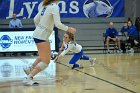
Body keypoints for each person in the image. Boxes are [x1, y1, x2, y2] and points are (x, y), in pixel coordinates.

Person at [23, 0, 76, 86]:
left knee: (44, 55)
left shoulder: (46, 6)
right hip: (41, 36)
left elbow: (35, 19)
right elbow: (58, 24)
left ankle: (29, 68)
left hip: (39, 35)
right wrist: (69, 29)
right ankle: (28, 78)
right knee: (46, 62)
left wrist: (39, 29)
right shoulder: (54, 7)